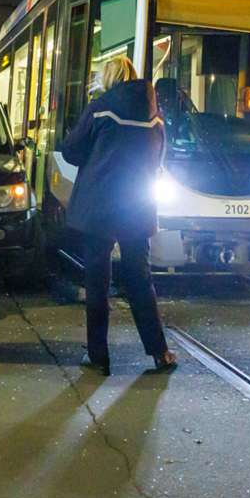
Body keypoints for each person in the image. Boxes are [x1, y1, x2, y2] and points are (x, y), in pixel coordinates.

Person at [61, 57, 176, 376]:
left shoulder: (100, 109)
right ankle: (160, 353)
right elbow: (159, 159)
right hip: (137, 207)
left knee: (98, 282)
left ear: (108, 79)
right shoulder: (155, 118)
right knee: (140, 278)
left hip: (100, 207)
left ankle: (99, 357)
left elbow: (71, 151)